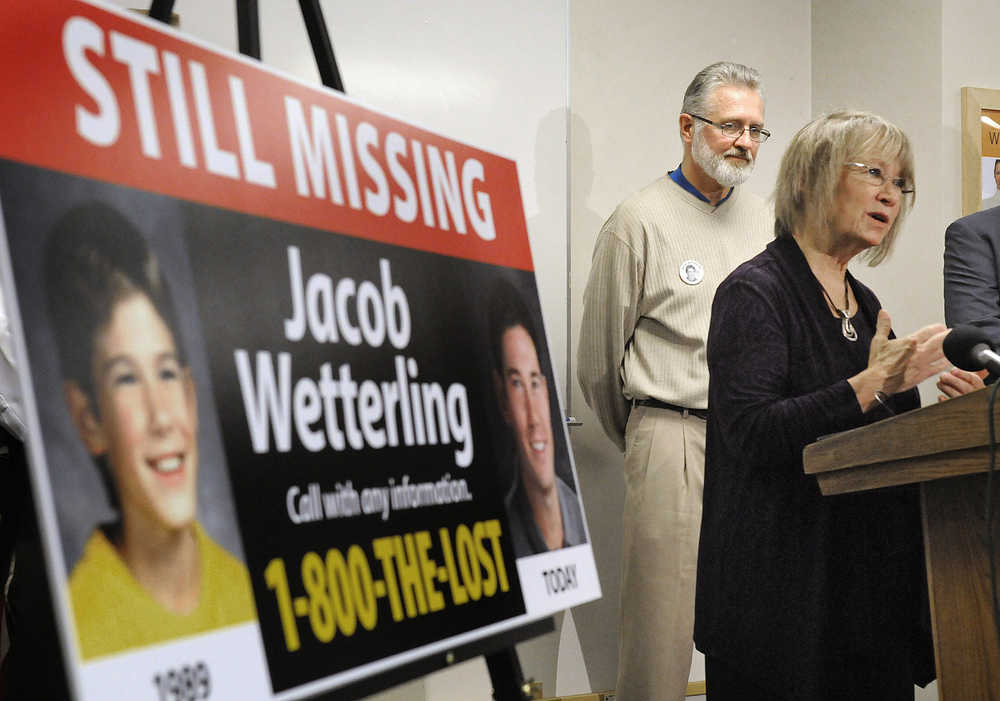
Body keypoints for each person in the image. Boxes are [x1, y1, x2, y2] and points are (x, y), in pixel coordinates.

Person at [694, 110, 982, 700]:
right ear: (809, 178)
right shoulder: (755, 291)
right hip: (781, 600)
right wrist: (869, 384)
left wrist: (960, 417)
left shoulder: (866, 303)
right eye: (874, 172)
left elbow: (885, 446)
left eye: (900, 182)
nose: (890, 194)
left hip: (865, 599)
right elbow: (753, 432)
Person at [576, 61, 773, 699]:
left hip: (755, 445)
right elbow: (597, 363)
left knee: (753, 617)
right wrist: (650, 433)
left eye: (755, 130)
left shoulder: (770, 223)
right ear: (688, 127)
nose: (745, 142)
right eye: (730, 126)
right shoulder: (636, 221)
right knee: (661, 628)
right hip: (673, 435)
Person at [44, 203, 255, 660]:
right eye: (126, 378)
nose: (161, 417)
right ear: (89, 419)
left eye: (165, 372)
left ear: (190, 395)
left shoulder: (248, 596)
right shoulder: (81, 632)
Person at [489, 280, 585, 557]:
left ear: (546, 387)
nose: (534, 419)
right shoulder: (504, 541)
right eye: (517, 384)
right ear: (502, 399)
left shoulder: (580, 517)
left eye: (534, 382)